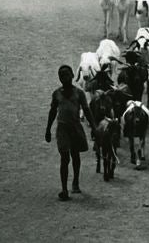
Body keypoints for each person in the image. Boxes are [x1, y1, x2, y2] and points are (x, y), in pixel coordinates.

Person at [44, 65, 96, 201]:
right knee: (65, 158)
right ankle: (64, 189)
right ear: (59, 78)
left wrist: (94, 127)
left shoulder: (79, 93)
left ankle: (75, 182)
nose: (64, 78)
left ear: (73, 76)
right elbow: (52, 112)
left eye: (67, 75)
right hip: (62, 129)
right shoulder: (56, 94)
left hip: (75, 127)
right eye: (62, 75)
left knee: (75, 155)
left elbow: (87, 110)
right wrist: (48, 129)